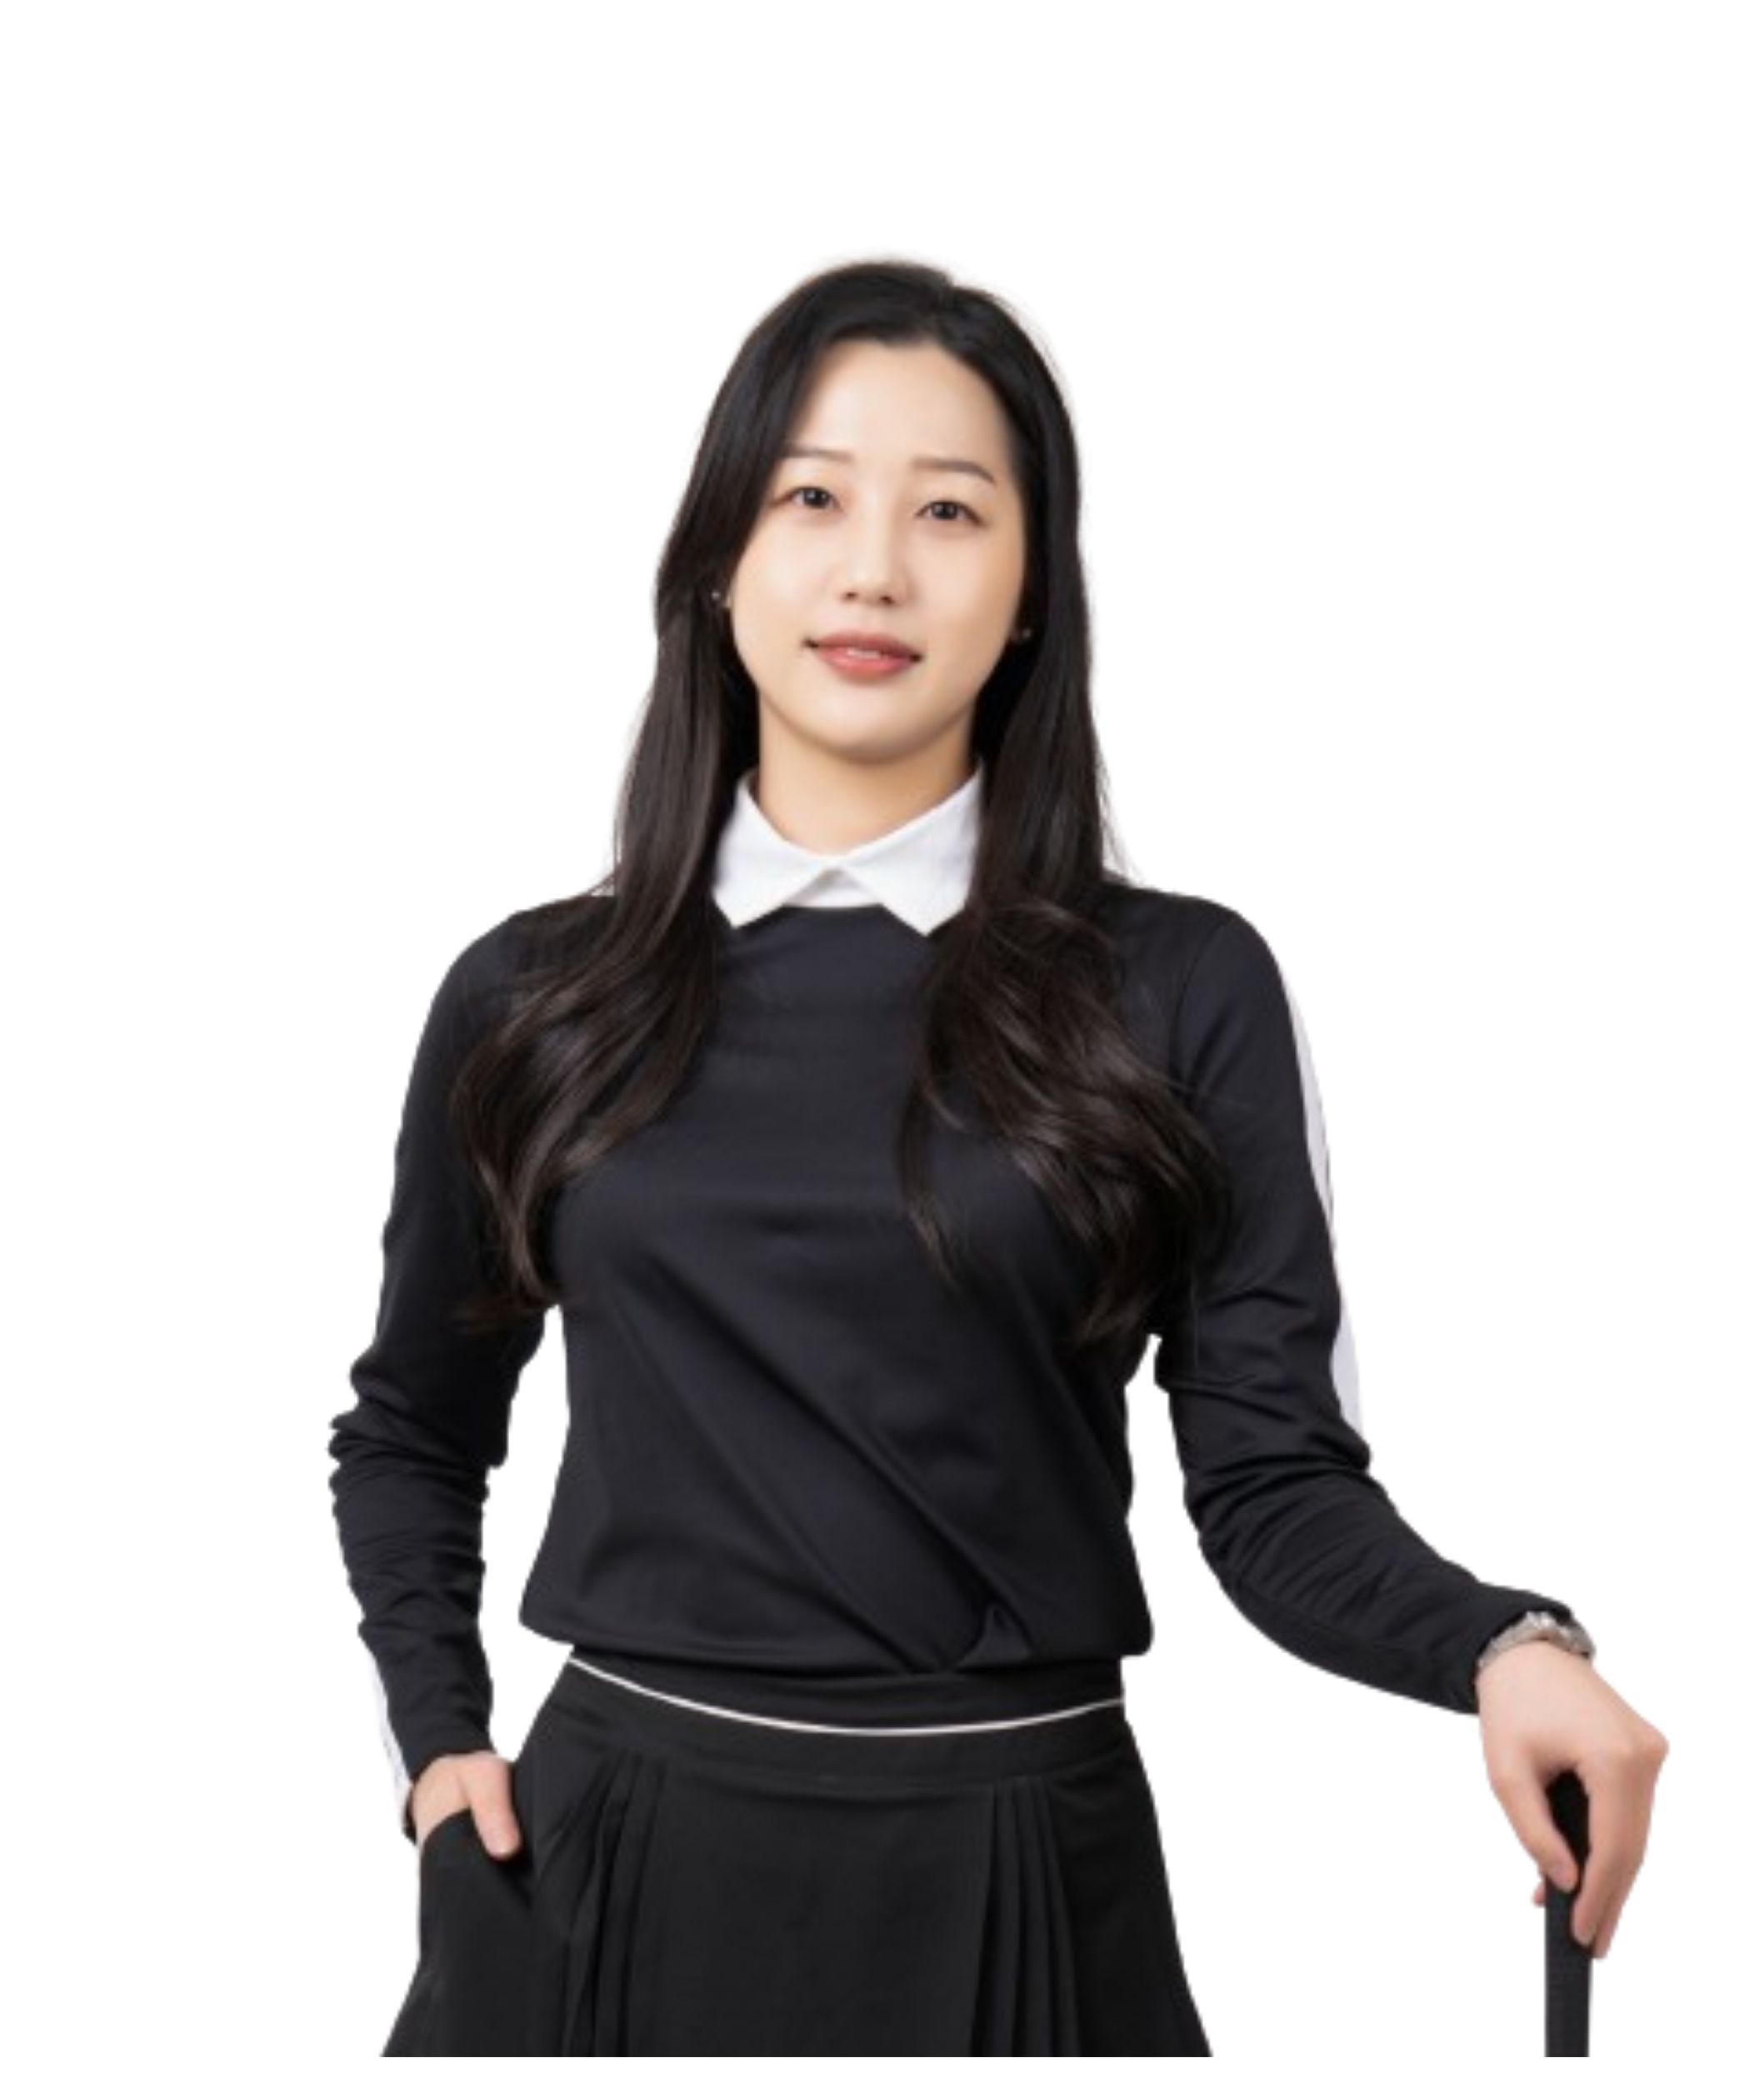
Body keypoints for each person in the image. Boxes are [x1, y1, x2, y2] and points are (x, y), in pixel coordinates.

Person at [327, 258, 1669, 2056]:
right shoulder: (535, 996)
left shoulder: (1176, 985)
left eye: (949, 510)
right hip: (606, 1862)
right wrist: (438, 1746)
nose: (874, 568)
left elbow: (1270, 1482)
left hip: (1024, 1858)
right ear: (720, 556)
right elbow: (414, 1428)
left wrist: (1506, 1645)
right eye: (812, 497)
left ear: (1032, 589)